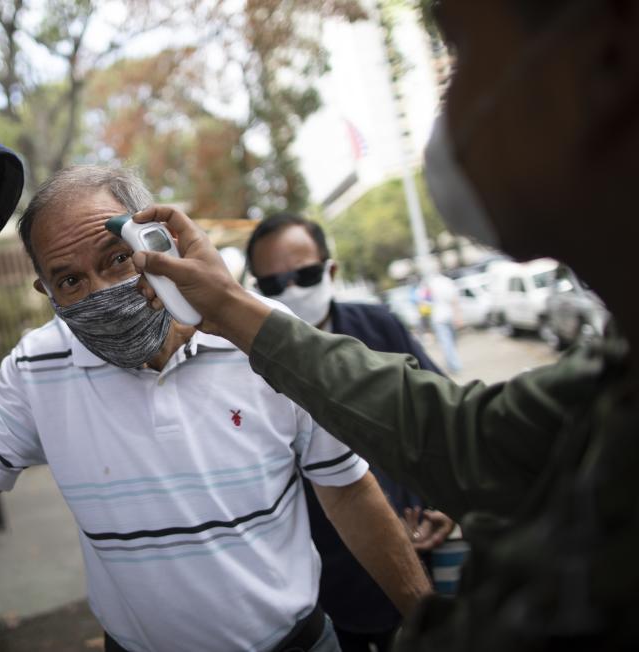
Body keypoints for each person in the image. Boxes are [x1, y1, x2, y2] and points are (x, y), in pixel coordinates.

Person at [129, 2, 639, 648]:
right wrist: (229, 309)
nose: (449, 106)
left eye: (459, 52)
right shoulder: (613, 379)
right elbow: (464, 438)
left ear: (606, 57)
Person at [0, 166, 432, 652]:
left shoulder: (263, 338)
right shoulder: (34, 371)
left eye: (115, 259)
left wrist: (429, 624)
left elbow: (349, 491)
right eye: (71, 280)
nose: (101, 290)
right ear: (46, 294)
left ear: (154, 239)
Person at [246, 213, 457, 652]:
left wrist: (446, 502)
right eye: (273, 284)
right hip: (322, 586)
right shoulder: (245, 360)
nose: (291, 291)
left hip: (413, 552)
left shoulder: (379, 326)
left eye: (303, 274)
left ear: (330, 269)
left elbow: (442, 423)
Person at [415, 270, 463, 375]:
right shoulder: (446, 282)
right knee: (451, 341)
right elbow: (455, 300)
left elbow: (423, 304)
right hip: (449, 315)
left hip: (437, 318)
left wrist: (425, 322)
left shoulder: (427, 286)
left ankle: (454, 364)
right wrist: (458, 316)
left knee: (447, 342)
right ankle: (454, 364)